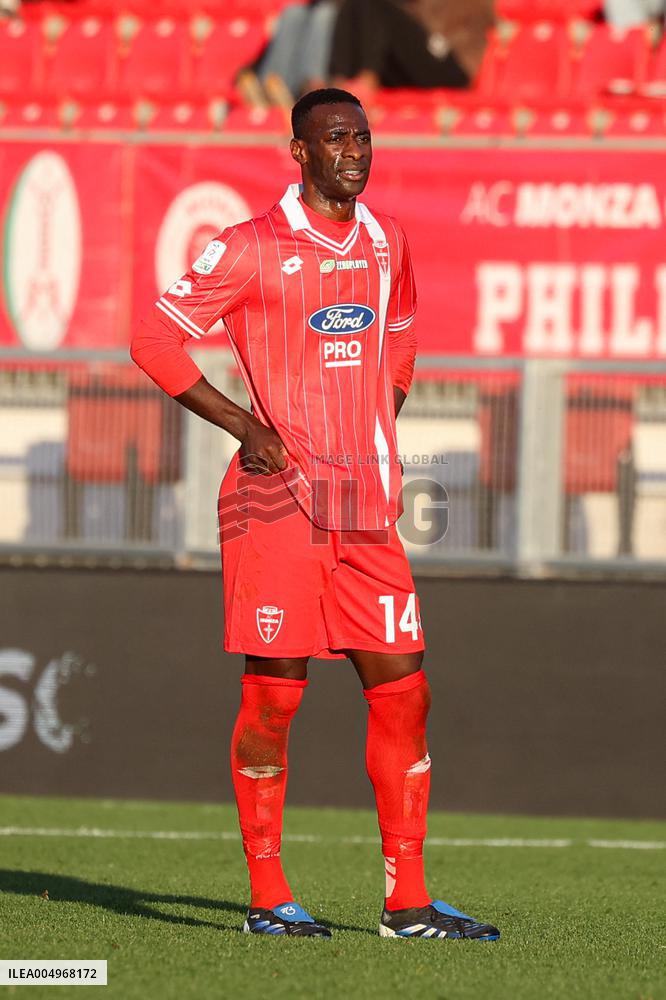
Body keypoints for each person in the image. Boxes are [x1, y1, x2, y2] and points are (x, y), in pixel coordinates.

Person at [130, 87, 500, 942]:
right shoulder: (251, 247)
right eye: (335, 139)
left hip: (365, 506)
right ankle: (269, 897)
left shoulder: (387, 239)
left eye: (362, 137)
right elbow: (153, 339)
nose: (354, 152)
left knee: (405, 690)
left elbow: (401, 330)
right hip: (276, 500)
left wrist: (381, 409)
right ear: (299, 152)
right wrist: (243, 424)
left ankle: (407, 903)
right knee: (275, 700)